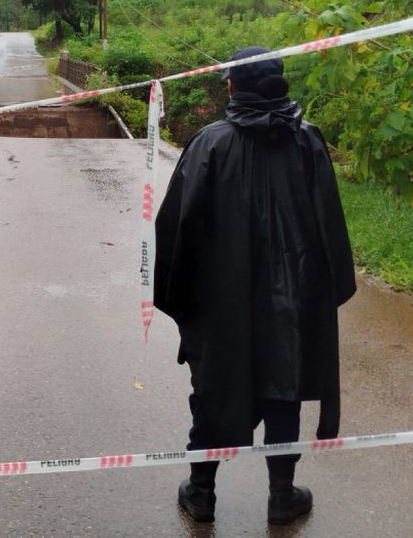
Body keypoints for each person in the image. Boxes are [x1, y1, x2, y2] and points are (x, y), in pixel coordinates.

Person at [153, 46, 357, 525]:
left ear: (232, 86)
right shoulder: (308, 141)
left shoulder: (209, 143)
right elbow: (330, 227)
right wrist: (319, 294)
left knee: (215, 390)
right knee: (283, 388)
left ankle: (201, 493)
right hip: (292, 300)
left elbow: (177, 232)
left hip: (224, 305)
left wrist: (184, 301)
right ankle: (281, 497)